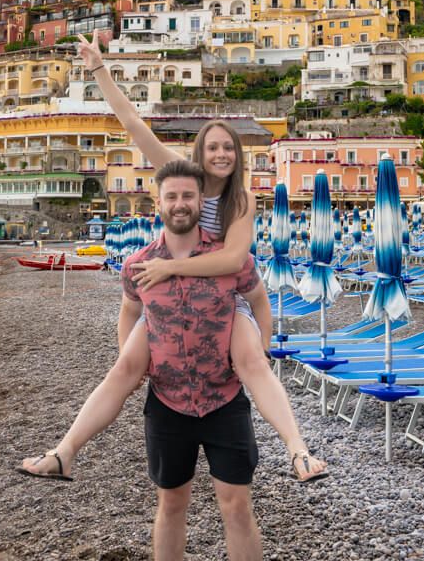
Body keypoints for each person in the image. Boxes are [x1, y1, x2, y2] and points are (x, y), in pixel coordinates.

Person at [19, 31, 326, 486]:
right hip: (170, 302)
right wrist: (99, 68)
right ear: (199, 153)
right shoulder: (183, 181)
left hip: (223, 298)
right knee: (123, 368)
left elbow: (233, 259)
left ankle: (299, 453)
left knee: (253, 364)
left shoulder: (240, 200)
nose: (221, 153)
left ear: (237, 156)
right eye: (212, 146)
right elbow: (133, 125)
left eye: (228, 148)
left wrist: (168, 267)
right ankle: (64, 453)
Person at [125, 161, 278, 561]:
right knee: (171, 505)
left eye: (188, 196)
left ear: (199, 203)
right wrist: (129, 356)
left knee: (237, 507)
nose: (180, 204)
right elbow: (130, 307)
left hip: (224, 398)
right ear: (159, 204)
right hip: (167, 401)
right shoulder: (138, 264)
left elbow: (258, 298)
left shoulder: (229, 259)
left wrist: (263, 345)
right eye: (171, 197)